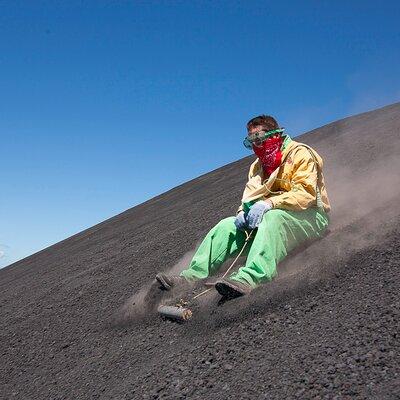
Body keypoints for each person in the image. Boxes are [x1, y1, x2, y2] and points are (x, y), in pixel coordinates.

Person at [156, 115, 330, 298]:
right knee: (226, 226)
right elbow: (250, 195)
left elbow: (306, 195)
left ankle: (252, 277)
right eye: (251, 141)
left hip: (310, 217)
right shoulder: (257, 166)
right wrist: (242, 212)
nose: (256, 146)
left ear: (274, 135)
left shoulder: (300, 154)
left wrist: (270, 203)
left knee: (273, 218)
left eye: (259, 139)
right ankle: (191, 277)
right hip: (271, 220)